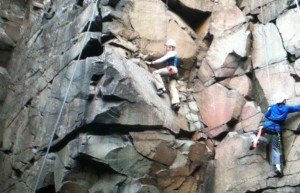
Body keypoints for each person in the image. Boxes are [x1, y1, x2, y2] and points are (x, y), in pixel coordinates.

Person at [250, 94, 300, 176]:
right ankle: (278, 168)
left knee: (254, 134)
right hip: (276, 130)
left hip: (267, 126)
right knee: (276, 149)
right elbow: (297, 108)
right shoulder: (287, 108)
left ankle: (256, 140)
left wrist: (272, 114)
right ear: (284, 101)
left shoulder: (273, 107)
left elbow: (266, 115)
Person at [146, 39, 180, 112]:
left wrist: (152, 63)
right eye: (167, 47)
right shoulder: (172, 54)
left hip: (171, 69)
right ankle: (176, 103)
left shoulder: (172, 53)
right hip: (174, 73)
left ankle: (161, 88)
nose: (167, 48)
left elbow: (162, 59)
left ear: (172, 47)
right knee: (172, 87)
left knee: (155, 73)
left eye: (168, 47)